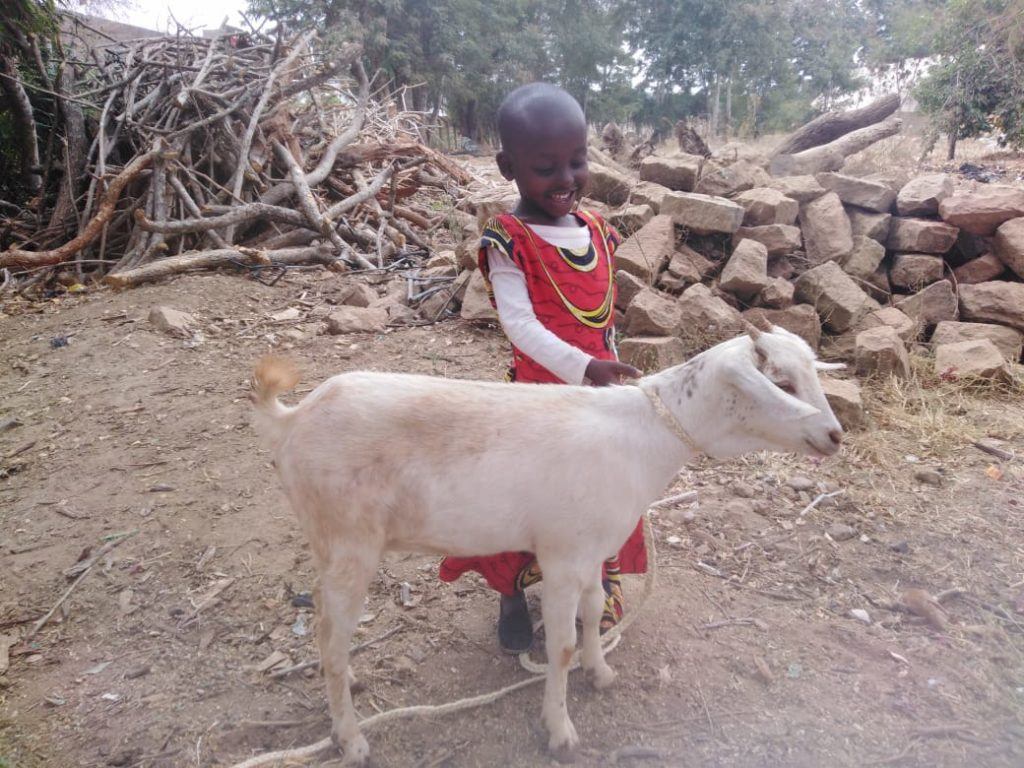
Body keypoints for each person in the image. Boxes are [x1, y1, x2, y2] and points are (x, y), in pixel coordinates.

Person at [439, 83, 647, 653]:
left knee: (599, 494)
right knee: (520, 501)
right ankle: (510, 593)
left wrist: (606, 363)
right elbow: (521, 326)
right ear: (508, 167)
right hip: (537, 401)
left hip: (598, 400)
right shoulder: (510, 239)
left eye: (577, 161)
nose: (566, 179)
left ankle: (596, 588)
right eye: (544, 166)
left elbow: (603, 316)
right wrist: (586, 367)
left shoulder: (600, 230)